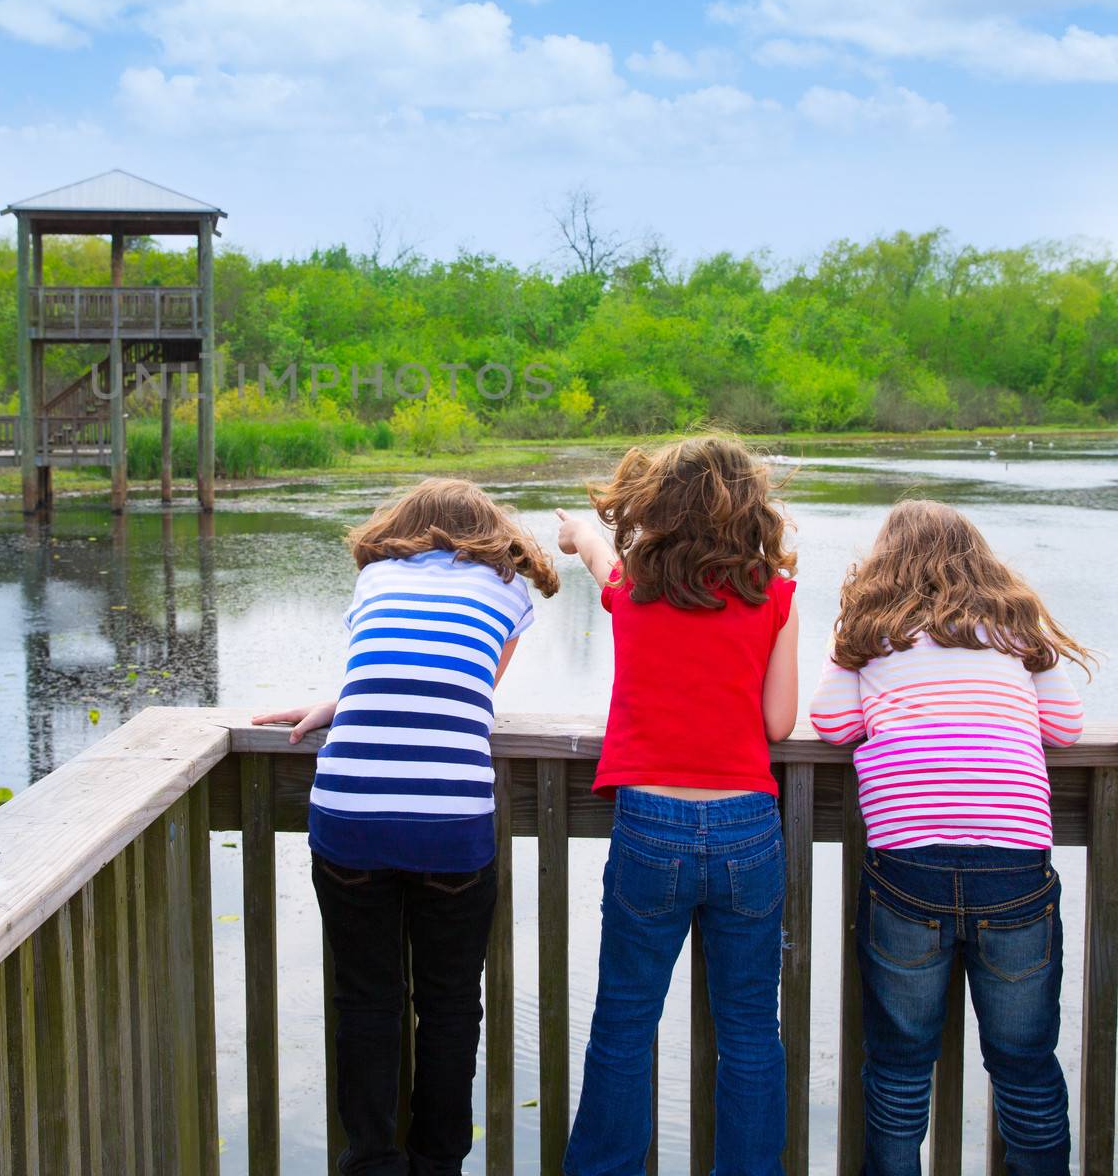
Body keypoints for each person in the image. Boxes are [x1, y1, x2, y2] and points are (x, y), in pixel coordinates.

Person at [253, 477, 558, 1175]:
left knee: (365, 999)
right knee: (450, 1007)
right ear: (490, 532)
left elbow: (384, 673)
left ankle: (369, 1159)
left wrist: (340, 703)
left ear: (404, 526)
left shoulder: (377, 577)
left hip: (350, 811)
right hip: (449, 822)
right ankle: (438, 1163)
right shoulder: (507, 589)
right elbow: (473, 686)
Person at [811, 499, 1090, 1175]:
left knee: (901, 1069)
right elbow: (1066, 727)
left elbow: (830, 724)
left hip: (907, 870)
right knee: (1023, 1064)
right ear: (979, 559)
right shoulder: (1017, 627)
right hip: (1015, 873)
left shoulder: (869, 631)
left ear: (886, 562)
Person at [557, 434, 799, 1176]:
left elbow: (603, 561)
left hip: (651, 824)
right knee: (752, 1032)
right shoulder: (773, 595)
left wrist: (581, 534)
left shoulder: (634, 590)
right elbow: (780, 726)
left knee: (625, 1025)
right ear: (749, 510)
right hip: (746, 827)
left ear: (658, 508)